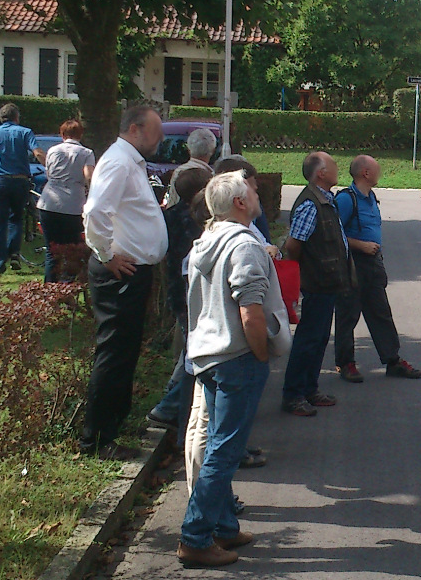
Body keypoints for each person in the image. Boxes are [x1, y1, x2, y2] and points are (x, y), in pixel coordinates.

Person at [177, 172, 289, 568]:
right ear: (241, 202)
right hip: (236, 357)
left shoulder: (207, 240)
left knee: (221, 446)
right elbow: (250, 312)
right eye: (254, 191)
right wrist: (260, 354)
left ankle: (223, 526)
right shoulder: (244, 245)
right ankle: (195, 538)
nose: (259, 194)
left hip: (207, 353)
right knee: (225, 451)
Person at [79, 106, 168, 460]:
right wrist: (106, 256)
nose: (160, 139)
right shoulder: (118, 162)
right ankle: (97, 440)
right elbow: (96, 211)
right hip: (119, 273)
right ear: (135, 129)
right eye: (156, 132)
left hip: (131, 271)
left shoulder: (129, 162)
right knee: (115, 353)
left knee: (125, 351)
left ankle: (111, 427)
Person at [333, 155, 421, 382]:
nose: (379, 172)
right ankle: (346, 363)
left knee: (381, 313)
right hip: (353, 263)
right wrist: (360, 245)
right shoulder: (346, 199)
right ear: (365, 173)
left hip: (373, 264)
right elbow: (334, 233)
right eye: (376, 169)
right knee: (348, 313)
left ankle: (392, 360)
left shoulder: (371, 197)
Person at [281, 151, 354, 417]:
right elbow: (293, 244)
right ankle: (294, 395)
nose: (337, 168)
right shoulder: (311, 203)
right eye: (332, 165)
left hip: (327, 282)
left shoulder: (326, 199)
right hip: (317, 283)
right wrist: (305, 273)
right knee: (308, 340)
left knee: (319, 338)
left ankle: (309, 389)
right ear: (320, 173)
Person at [146, 167, 213, 434]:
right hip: (190, 295)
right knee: (192, 355)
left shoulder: (170, 215)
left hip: (176, 290)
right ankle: (169, 407)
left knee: (189, 350)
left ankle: (169, 405)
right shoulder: (195, 222)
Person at [0, 103, 46, 275]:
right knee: (16, 219)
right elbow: (37, 153)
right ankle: (14, 254)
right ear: (16, 117)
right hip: (20, 180)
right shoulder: (25, 132)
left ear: (1, 117)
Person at [36, 119, 95, 282]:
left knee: (51, 250)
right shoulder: (86, 153)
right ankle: (68, 286)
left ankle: (49, 289)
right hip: (73, 204)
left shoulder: (53, 151)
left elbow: (49, 174)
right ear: (80, 134)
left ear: (62, 134)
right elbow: (89, 176)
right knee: (72, 249)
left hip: (49, 202)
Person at [216, 155, 272, 243]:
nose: (255, 187)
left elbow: (266, 243)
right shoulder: (245, 245)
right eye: (250, 186)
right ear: (239, 201)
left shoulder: (250, 226)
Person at [162, 128, 217, 207]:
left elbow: (172, 202)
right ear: (213, 151)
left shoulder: (179, 172)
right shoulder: (212, 177)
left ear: (189, 149)